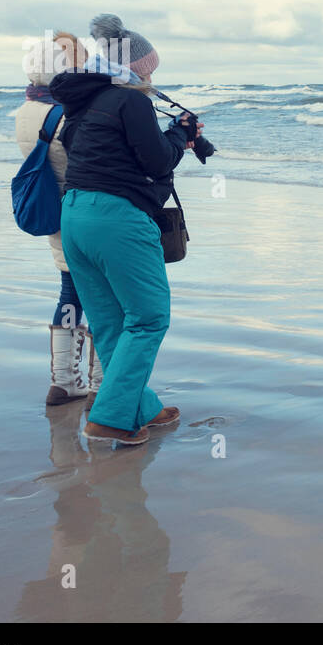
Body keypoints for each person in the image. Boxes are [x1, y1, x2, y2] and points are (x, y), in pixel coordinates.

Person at [49, 35, 202, 446]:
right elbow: (156, 161)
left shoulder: (83, 102)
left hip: (75, 215)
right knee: (149, 318)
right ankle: (112, 418)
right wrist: (179, 138)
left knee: (111, 322)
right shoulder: (132, 101)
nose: (153, 75)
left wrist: (173, 136)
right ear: (135, 68)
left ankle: (140, 407)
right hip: (117, 219)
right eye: (149, 68)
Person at [16, 31, 100, 406]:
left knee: (71, 292)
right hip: (82, 210)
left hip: (55, 212)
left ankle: (64, 380)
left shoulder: (25, 109)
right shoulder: (63, 114)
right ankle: (100, 383)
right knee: (102, 295)